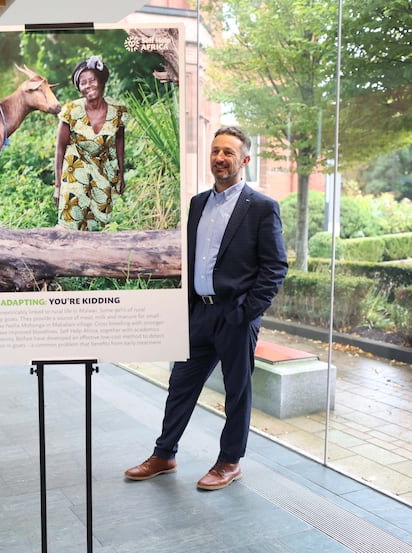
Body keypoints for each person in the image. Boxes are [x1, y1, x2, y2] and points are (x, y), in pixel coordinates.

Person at [124, 126, 288, 490]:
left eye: (228, 152)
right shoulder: (198, 203)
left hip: (235, 315)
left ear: (244, 160)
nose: (220, 158)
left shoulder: (261, 208)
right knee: (180, 385)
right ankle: (164, 454)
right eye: (215, 151)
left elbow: (276, 267)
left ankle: (230, 462)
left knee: (237, 392)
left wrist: (247, 313)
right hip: (199, 314)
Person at [54, 55, 128, 231]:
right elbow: (60, 149)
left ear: (101, 81)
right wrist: (58, 185)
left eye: (92, 80)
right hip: (75, 167)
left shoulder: (118, 112)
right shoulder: (71, 111)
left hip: (103, 169)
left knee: (98, 225)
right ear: (79, 88)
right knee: (71, 220)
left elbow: (119, 143)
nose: (88, 86)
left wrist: (121, 174)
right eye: (83, 83)